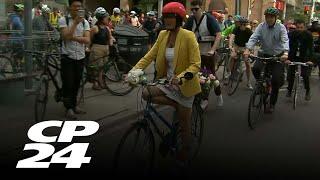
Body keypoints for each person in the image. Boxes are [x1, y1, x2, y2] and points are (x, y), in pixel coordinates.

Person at [128, 2, 201, 164]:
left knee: (184, 125)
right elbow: (149, 56)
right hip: (167, 83)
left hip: (185, 85)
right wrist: (134, 71)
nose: (167, 20)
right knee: (146, 93)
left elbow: (195, 64)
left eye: (171, 17)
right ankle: (176, 104)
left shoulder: (188, 36)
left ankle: (186, 149)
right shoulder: (162, 35)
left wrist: (181, 77)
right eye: (166, 17)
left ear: (179, 19)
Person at [244, 7, 289, 113]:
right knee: (255, 69)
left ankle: (272, 104)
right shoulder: (261, 26)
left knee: (276, 81)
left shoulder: (281, 27)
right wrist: (247, 49)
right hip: (263, 54)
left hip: (277, 56)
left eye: (271, 17)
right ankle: (261, 85)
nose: (269, 19)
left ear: (275, 18)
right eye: (267, 17)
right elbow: (254, 37)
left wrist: (286, 52)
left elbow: (285, 40)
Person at [184, 0, 223, 108]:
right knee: (198, 76)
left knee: (211, 76)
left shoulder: (209, 19)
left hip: (207, 53)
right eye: (192, 10)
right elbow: (183, 34)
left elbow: (218, 34)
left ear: (201, 8)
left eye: (196, 9)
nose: (194, 12)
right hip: (195, 54)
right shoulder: (190, 20)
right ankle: (201, 97)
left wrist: (213, 49)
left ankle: (218, 94)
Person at [59, 0, 90, 119]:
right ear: (70, 8)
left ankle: (74, 105)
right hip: (68, 57)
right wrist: (75, 23)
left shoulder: (85, 22)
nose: (77, 8)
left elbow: (87, 40)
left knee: (77, 83)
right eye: (75, 6)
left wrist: (74, 38)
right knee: (68, 83)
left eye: (79, 6)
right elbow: (66, 36)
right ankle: (69, 109)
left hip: (80, 57)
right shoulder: (64, 20)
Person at [286, 19, 314, 101]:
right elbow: (287, 47)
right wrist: (287, 58)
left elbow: (311, 48)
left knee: (305, 75)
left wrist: (310, 60)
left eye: (301, 27)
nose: (299, 29)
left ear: (304, 27)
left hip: (304, 56)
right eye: (298, 27)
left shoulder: (308, 35)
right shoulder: (291, 34)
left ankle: (307, 91)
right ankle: (289, 90)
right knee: (290, 74)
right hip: (293, 56)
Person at [89, 7, 113, 90]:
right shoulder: (95, 28)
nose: (108, 20)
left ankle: (101, 82)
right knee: (96, 67)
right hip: (97, 49)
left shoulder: (107, 28)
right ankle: (95, 83)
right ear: (101, 19)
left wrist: (111, 41)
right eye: (106, 18)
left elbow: (110, 37)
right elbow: (89, 39)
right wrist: (88, 48)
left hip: (105, 49)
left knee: (102, 67)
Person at [228, 16, 253, 89]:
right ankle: (229, 72)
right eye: (242, 24)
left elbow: (252, 41)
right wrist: (230, 46)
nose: (244, 26)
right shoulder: (236, 29)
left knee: (247, 63)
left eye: (245, 25)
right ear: (240, 24)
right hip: (236, 45)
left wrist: (249, 50)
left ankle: (248, 82)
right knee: (232, 56)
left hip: (245, 47)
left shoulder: (248, 31)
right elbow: (232, 37)